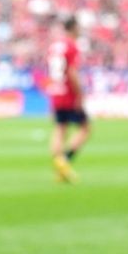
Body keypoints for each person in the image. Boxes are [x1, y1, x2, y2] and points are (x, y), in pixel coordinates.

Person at [45, 14, 90, 184]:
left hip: (56, 91)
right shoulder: (72, 46)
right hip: (69, 93)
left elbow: (50, 72)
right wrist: (80, 94)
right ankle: (64, 162)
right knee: (85, 128)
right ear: (74, 27)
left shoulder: (54, 46)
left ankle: (59, 164)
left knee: (60, 128)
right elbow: (72, 72)